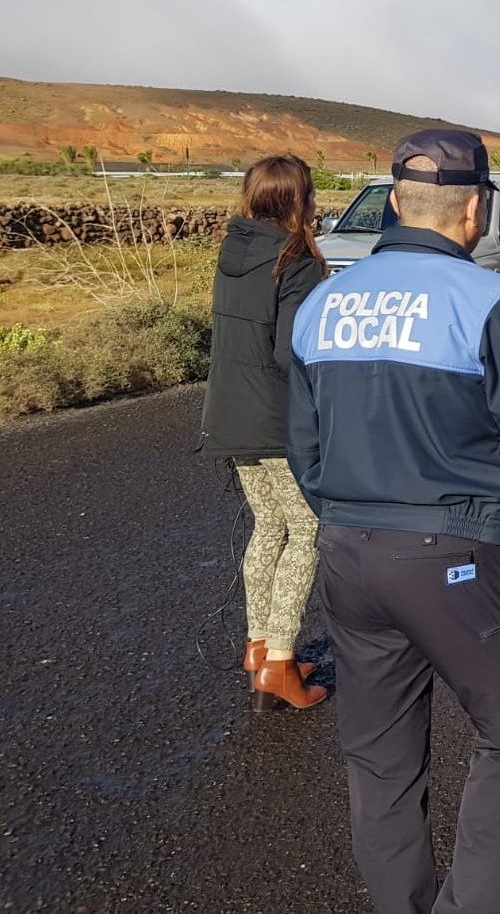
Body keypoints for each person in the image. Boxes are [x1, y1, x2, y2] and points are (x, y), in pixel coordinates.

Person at [286, 129, 500, 914]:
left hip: (349, 557)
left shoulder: (325, 301)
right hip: (456, 556)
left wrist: (347, 518)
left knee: (380, 760)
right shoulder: (490, 300)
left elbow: (303, 443)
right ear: (476, 209)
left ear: (394, 201)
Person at [198, 154, 327, 710]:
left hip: (228, 415)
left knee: (269, 526)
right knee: (307, 529)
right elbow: (290, 352)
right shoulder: (294, 260)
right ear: (298, 199)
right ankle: (279, 663)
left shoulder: (232, 253)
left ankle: (259, 647)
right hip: (277, 420)